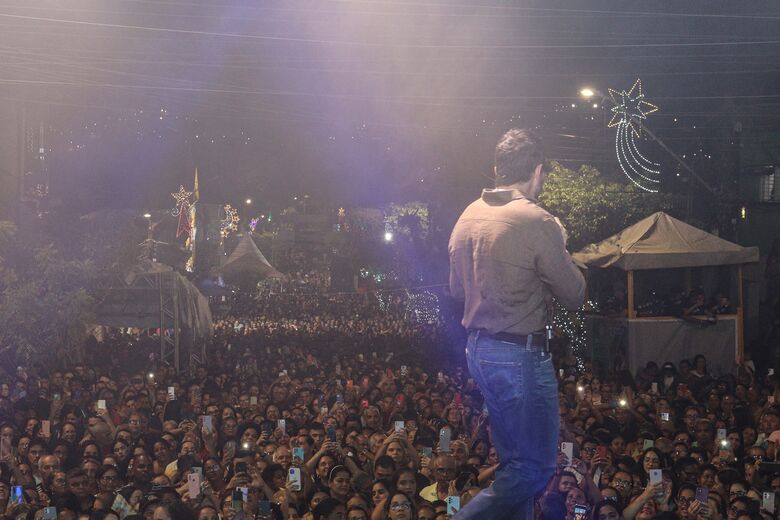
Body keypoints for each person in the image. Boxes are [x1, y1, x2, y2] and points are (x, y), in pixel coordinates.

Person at [448, 128, 586, 518]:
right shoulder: (537, 220)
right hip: (519, 356)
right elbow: (575, 295)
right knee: (536, 469)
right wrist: (559, 242)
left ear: (496, 169)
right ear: (538, 171)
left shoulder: (467, 215)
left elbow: (458, 291)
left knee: (514, 466)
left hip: (479, 350)